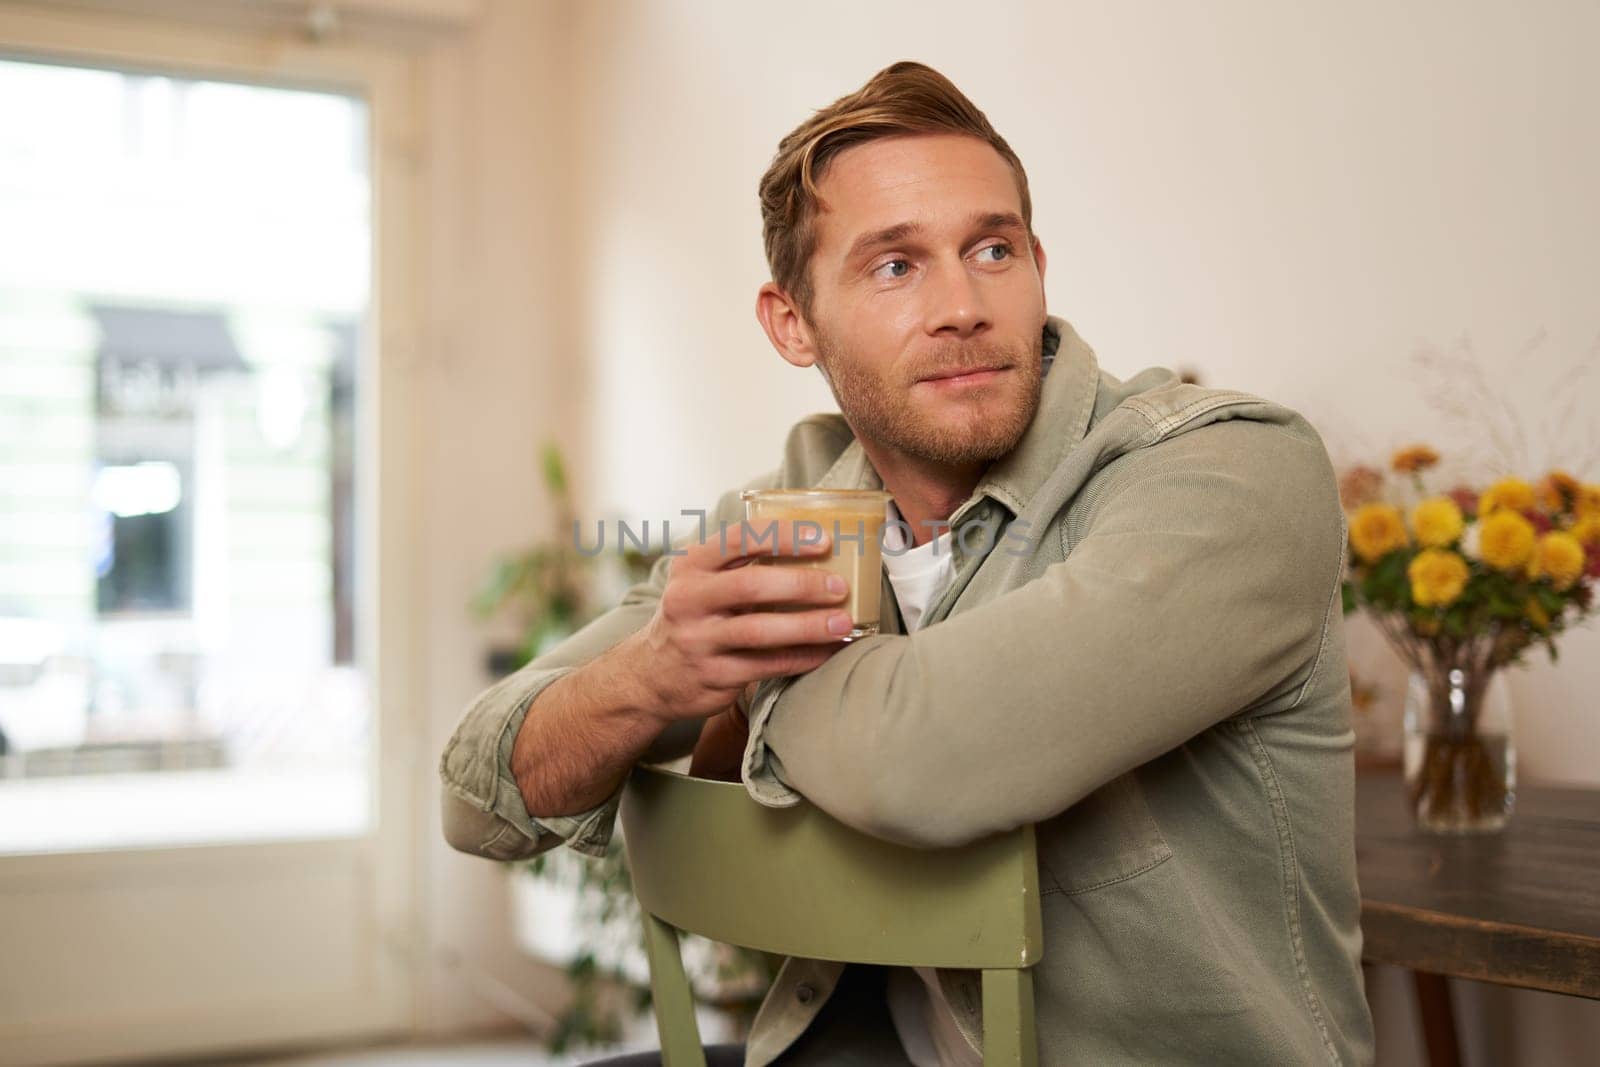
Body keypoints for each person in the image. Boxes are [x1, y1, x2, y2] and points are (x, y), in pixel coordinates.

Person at [440, 60, 1376, 1066]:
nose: (963, 304)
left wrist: (743, 681)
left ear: (1037, 264)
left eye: (991, 248)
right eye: (894, 266)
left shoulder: (1232, 470)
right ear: (791, 322)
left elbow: (930, 762)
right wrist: (653, 671)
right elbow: (478, 795)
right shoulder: (793, 506)